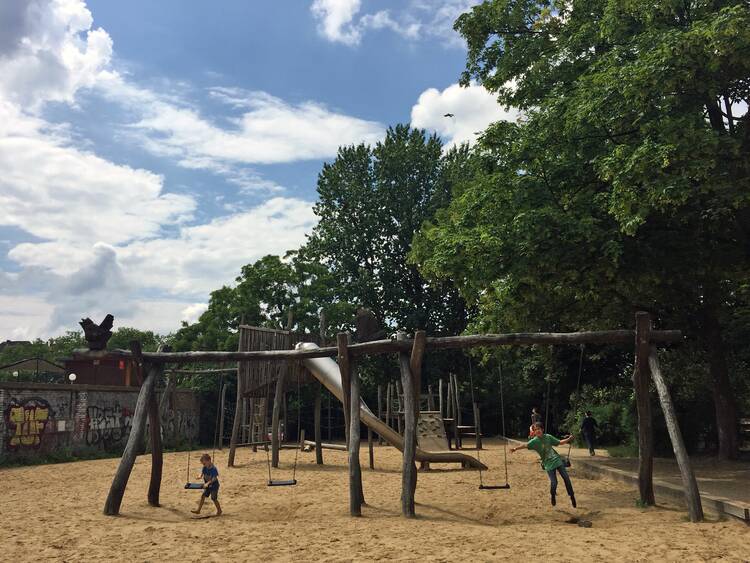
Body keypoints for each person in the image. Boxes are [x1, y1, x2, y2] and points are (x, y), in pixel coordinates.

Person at [511, 422, 577, 508]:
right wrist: (515, 449)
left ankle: (572, 496)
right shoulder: (534, 442)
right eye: (535, 430)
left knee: (566, 478)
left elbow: (559, 442)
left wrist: (569, 439)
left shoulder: (548, 437)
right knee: (554, 483)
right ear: (534, 432)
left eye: (539, 429)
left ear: (542, 429)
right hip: (548, 464)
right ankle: (553, 495)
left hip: (557, 460)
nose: (537, 431)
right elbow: (525, 445)